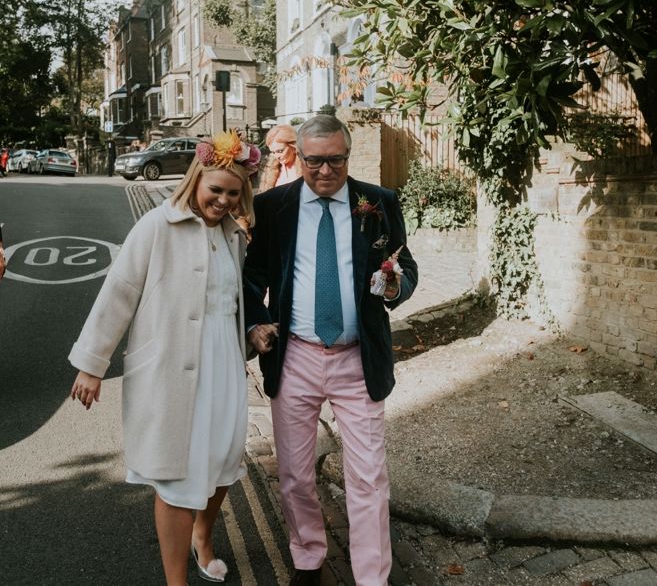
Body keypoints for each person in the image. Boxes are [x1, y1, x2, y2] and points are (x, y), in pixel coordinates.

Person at [69, 129, 260, 586]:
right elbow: (119, 293)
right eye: (216, 189)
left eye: (233, 193)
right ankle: (176, 581)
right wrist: (92, 364)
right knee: (174, 475)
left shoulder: (234, 235)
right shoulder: (157, 224)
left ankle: (203, 537)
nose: (223, 200)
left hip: (224, 362)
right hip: (170, 364)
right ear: (196, 180)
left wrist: (257, 330)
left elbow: (233, 301)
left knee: (223, 464)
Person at [244, 115, 418, 586]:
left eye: (335, 160)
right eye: (315, 160)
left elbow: (405, 266)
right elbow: (251, 275)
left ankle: (371, 577)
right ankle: (307, 558)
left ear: (348, 155)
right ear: (298, 157)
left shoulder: (378, 202)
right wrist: (256, 323)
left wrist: (394, 287)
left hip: (357, 358)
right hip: (295, 354)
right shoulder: (273, 205)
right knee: (296, 474)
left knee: (368, 476)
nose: (325, 171)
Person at [257, 124, 301, 191]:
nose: (277, 156)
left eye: (280, 151)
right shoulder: (271, 168)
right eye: (273, 152)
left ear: (293, 147)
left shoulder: (306, 168)